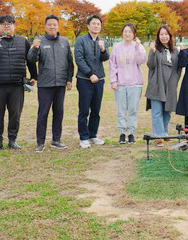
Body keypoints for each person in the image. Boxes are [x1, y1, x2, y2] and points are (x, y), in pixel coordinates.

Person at [0, 15, 37, 152]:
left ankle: (12, 140)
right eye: (3, 23)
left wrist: (34, 76)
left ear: (14, 26)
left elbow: (30, 60)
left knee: (15, 115)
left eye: (10, 23)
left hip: (16, 85)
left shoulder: (23, 41)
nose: (7, 26)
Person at [28, 15, 74, 153]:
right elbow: (31, 60)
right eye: (49, 24)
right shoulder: (39, 41)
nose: (52, 27)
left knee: (59, 112)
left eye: (55, 24)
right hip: (45, 84)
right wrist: (35, 48)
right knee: (43, 113)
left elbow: (70, 63)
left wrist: (69, 79)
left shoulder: (65, 42)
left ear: (58, 26)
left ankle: (56, 140)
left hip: (60, 84)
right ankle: (40, 142)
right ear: (45, 26)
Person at [74, 14, 110, 149]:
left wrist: (103, 49)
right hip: (84, 79)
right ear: (88, 26)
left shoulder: (103, 41)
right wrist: (90, 74)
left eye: (98, 24)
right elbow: (79, 59)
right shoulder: (81, 40)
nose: (96, 26)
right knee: (84, 110)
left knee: (96, 109)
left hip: (99, 79)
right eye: (93, 23)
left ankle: (93, 135)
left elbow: (106, 57)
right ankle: (83, 137)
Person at [109, 23, 146, 145]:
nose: (127, 34)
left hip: (135, 84)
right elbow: (113, 65)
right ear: (122, 33)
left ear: (134, 34)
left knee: (133, 110)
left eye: (130, 31)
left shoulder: (137, 46)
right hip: (120, 84)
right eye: (125, 31)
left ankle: (131, 133)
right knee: (121, 110)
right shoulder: (117, 47)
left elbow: (141, 60)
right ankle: (121, 133)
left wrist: (138, 46)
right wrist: (114, 81)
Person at [146, 25, 181, 147]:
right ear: (158, 36)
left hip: (170, 85)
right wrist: (152, 51)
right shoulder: (155, 49)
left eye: (166, 34)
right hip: (157, 84)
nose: (164, 36)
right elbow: (150, 65)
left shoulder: (176, 51)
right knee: (157, 112)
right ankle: (158, 135)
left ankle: (165, 133)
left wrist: (175, 82)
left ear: (170, 36)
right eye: (161, 34)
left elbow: (178, 69)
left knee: (167, 111)